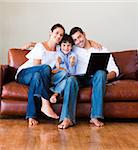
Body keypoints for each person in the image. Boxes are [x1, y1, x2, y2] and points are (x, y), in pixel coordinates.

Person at [16, 23, 68, 127]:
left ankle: (32, 116)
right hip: (25, 73)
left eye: (61, 35)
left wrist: (91, 42)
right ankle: (45, 103)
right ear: (50, 33)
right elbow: (37, 67)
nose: (58, 36)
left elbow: (72, 45)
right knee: (44, 68)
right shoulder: (40, 46)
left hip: (38, 76)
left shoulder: (59, 51)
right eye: (56, 33)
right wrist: (32, 44)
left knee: (42, 76)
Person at [69, 27, 119, 127]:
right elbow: (56, 45)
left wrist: (103, 77)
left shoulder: (101, 49)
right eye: (75, 40)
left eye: (79, 37)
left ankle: (95, 117)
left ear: (84, 34)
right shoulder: (72, 49)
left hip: (96, 79)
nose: (78, 41)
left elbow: (114, 70)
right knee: (70, 80)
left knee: (100, 73)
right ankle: (68, 119)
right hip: (79, 79)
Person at [50, 33, 77, 104]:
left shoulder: (73, 55)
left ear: (71, 47)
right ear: (60, 46)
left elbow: (72, 69)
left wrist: (72, 62)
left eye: (68, 46)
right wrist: (58, 62)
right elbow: (59, 59)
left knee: (67, 80)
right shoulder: (59, 53)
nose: (66, 48)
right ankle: (51, 85)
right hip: (56, 77)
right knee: (64, 72)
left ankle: (55, 94)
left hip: (65, 78)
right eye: (64, 45)